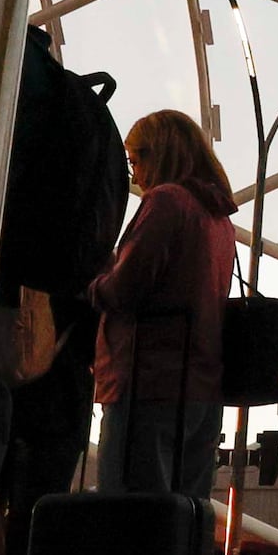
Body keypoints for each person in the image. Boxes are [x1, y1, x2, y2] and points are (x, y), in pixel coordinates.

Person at [90, 111, 236, 499]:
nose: (134, 175)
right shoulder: (219, 219)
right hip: (201, 386)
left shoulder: (167, 202)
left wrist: (94, 284)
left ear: (159, 154)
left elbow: (126, 288)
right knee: (182, 516)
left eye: (135, 161)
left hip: (147, 379)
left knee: (129, 511)